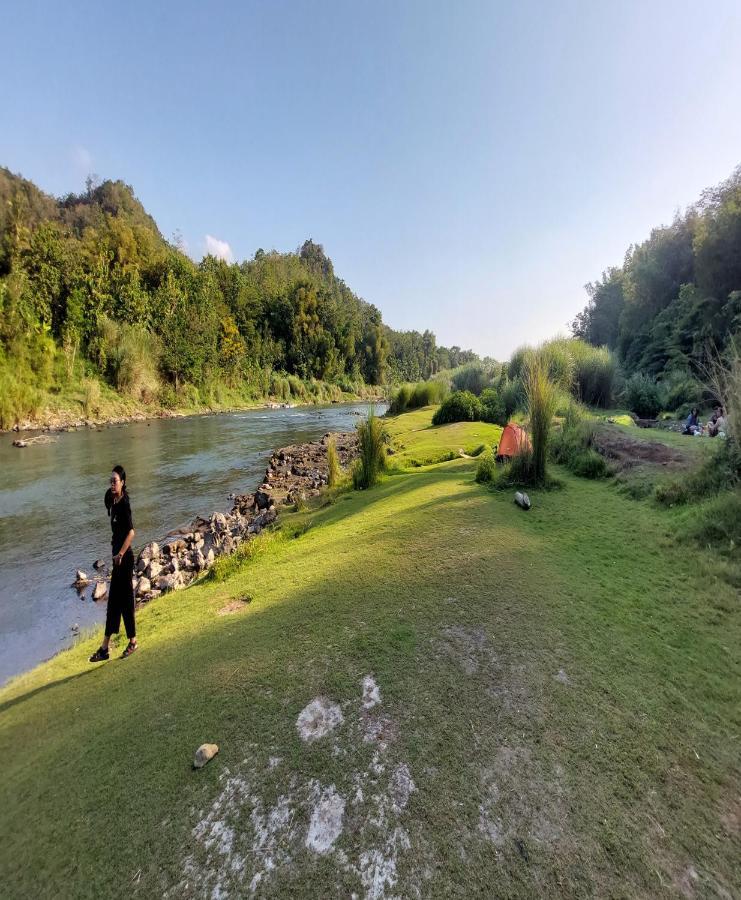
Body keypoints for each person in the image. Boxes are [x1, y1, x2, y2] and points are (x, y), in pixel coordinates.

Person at [89, 465, 138, 662]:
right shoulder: (113, 500)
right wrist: (111, 494)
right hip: (117, 560)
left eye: (115, 481)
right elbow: (107, 501)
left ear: (123, 482)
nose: (111, 484)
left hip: (124, 560)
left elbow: (131, 532)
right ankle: (105, 648)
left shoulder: (124, 503)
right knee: (115, 603)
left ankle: (128, 643)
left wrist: (120, 553)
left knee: (123, 602)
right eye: (110, 481)